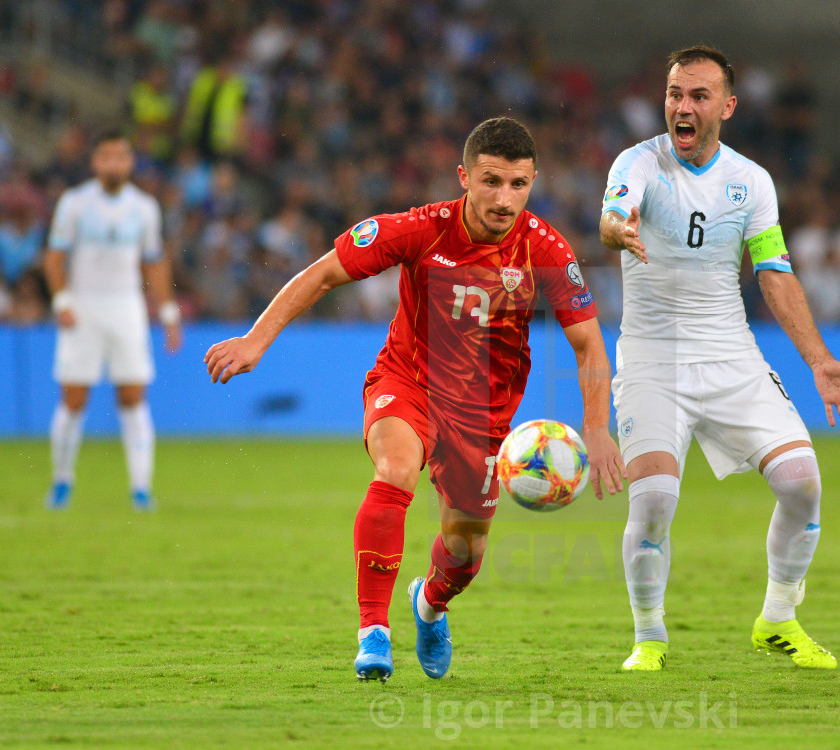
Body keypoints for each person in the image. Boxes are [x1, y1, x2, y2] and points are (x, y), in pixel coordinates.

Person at [205, 117, 625, 683]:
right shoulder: (419, 229)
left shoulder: (546, 249)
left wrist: (597, 429)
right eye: (491, 181)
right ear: (464, 178)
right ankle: (372, 631)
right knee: (396, 468)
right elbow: (325, 273)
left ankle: (429, 604)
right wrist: (257, 339)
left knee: (466, 551)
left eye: (518, 185)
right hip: (409, 383)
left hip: (483, 415)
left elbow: (589, 346)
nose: (505, 199)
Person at [599, 47, 840, 672]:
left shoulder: (752, 182)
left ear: (727, 106)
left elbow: (775, 274)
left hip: (730, 355)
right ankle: (649, 638)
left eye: (698, 95)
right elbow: (614, 213)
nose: (682, 106)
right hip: (652, 360)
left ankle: (777, 619)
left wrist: (818, 360)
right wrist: (618, 227)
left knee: (803, 482)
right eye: (674, 94)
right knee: (654, 502)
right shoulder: (638, 161)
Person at [43, 130, 183, 511]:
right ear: (95, 162)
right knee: (74, 398)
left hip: (127, 308)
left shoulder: (144, 207)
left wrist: (168, 312)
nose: (113, 164)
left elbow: (153, 262)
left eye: (120, 157)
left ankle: (141, 487)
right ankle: (61, 481)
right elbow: (54, 257)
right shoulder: (74, 203)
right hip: (83, 308)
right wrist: (62, 301)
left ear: (130, 161)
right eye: (106, 157)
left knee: (133, 396)